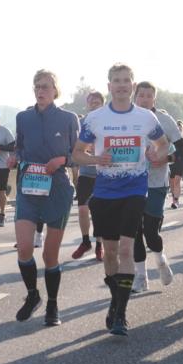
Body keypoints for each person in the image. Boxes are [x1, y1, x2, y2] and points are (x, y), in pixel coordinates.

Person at [72, 63, 168, 336]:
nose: (122, 85)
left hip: (135, 189)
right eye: (117, 80)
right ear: (109, 86)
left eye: (127, 80)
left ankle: (121, 315)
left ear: (133, 85)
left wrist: (155, 155)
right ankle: (115, 302)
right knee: (111, 253)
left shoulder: (146, 118)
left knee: (127, 249)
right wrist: (94, 159)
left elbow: (164, 145)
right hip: (104, 192)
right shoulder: (95, 119)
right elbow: (77, 153)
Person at [11, 70, 79, 326]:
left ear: (55, 90)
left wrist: (62, 160)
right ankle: (32, 295)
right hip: (28, 188)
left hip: (58, 190)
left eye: (46, 87)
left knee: (50, 255)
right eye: (37, 86)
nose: (41, 91)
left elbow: (79, 154)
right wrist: (15, 157)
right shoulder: (23, 117)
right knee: (25, 248)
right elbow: (19, 147)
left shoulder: (68, 119)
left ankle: (52, 304)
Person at [131, 81, 183, 292]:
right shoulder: (127, 117)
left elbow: (181, 150)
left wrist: (166, 158)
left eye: (148, 95)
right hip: (131, 181)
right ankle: (141, 277)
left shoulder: (163, 119)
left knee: (151, 231)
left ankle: (161, 260)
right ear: (135, 97)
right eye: (140, 95)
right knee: (135, 230)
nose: (144, 99)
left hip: (156, 182)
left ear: (154, 99)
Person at [71, 90, 105, 261]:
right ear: (87, 104)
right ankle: (86, 241)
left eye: (97, 101)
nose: (94, 103)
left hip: (102, 173)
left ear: (102, 104)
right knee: (83, 209)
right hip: (86, 172)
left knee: (98, 211)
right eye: (91, 101)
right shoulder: (81, 122)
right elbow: (75, 146)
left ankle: (99, 244)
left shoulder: (107, 121)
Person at [170, 118, 183, 208]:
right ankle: (173, 198)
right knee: (171, 181)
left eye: (180, 127)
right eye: (177, 127)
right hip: (171, 160)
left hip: (181, 160)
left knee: (177, 180)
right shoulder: (171, 136)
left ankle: (176, 201)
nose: (179, 128)